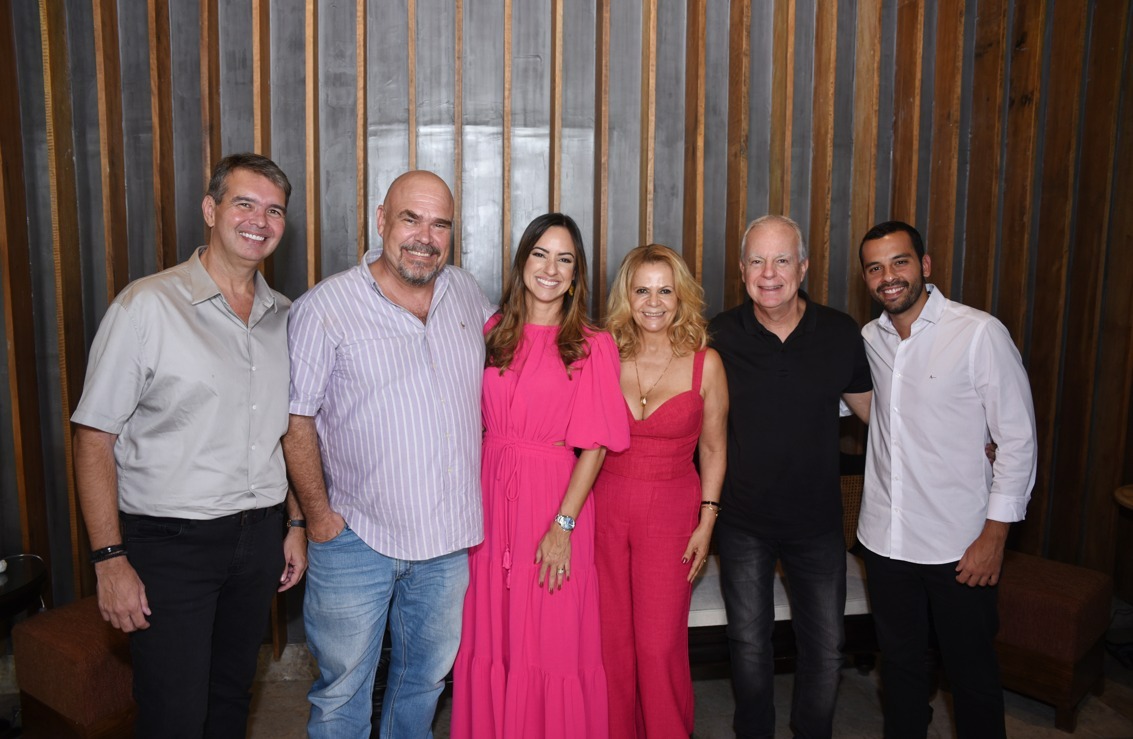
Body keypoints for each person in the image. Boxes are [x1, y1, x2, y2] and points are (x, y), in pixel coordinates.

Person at [71, 153, 307, 738]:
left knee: (230, 699)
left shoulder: (286, 317)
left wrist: (296, 523)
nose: (260, 221)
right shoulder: (146, 306)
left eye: (274, 210)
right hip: (171, 544)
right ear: (210, 209)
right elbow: (93, 437)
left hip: (259, 539)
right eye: (244, 204)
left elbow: (288, 432)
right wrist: (109, 560)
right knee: (173, 713)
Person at [283, 170, 494, 738]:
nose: (425, 237)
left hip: (447, 543)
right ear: (381, 220)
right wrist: (318, 520)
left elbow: (524, 355)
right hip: (357, 539)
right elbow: (295, 422)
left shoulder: (465, 293)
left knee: (424, 683)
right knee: (342, 694)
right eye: (410, 219)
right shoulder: (325, 307)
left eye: (440, 224)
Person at [450, 213, 631, 739]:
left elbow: (595, 446)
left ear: (575, 276)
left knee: (551, 639)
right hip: (489, 500)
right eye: (540, 254)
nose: (550, 269)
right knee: (491, 634)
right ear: (522, 262)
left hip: (554, 498)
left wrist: (563, 525)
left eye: (564, 259)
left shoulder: (592, 344)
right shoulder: (491, 332)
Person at [856, 221, 1037, 738]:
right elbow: (858, 403)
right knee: (900, 671)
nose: (889, 277)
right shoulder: (869, 339)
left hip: (959, 547)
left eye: (900, 262)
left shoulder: (978, 333)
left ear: (925, 265)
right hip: (886, 542)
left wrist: (995, 537)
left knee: (971, 676)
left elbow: (1018, 439)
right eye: (875, 268)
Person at [707, 215, 872, 738]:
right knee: (748, 645)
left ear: (803, 267)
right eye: (757, 261)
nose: (769, 273)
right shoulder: (718, 335)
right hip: (742, 521)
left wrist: (967, 442)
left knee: (825, 647)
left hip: (818, 523)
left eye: (782, 260)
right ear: (741, 270)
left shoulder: (840, 332)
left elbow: (881, 418)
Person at [593, 244, 728, 738]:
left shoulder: (706, 364)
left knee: (658, 645)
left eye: (665, 291)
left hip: (671, 516)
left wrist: (707, 522)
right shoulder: (604, 354)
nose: (653, 302)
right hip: (604, 511)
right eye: (642, 290)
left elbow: (714, 448)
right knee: (610, 644)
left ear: (681, 296)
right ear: (626, 297)